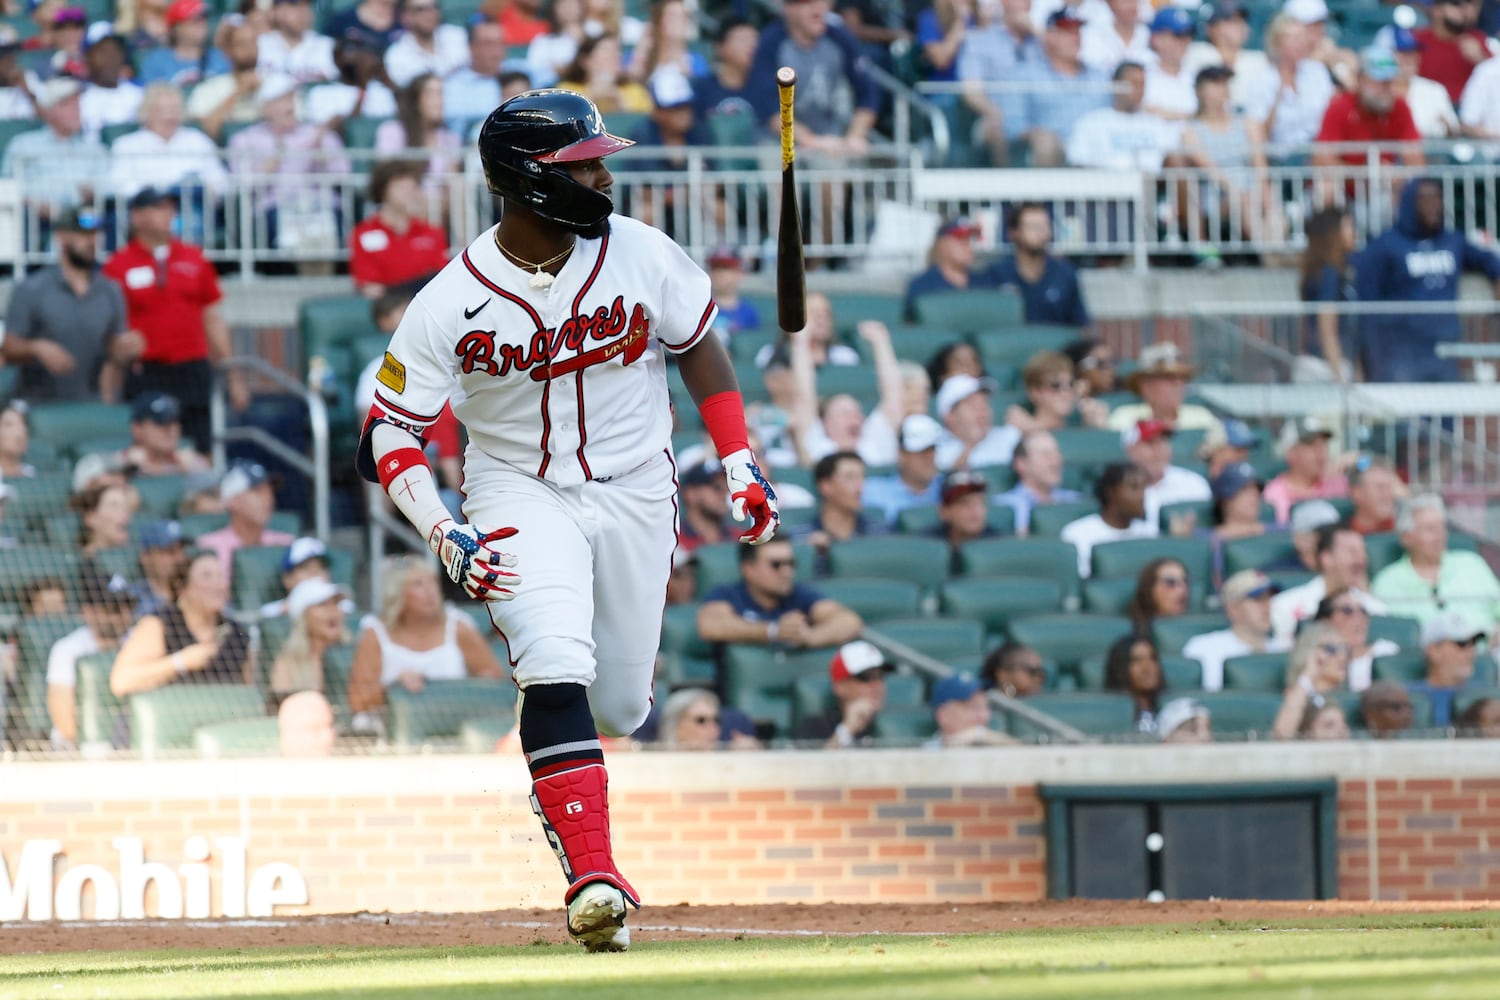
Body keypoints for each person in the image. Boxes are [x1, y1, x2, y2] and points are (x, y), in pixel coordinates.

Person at [354, 90, 784, 952]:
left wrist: (737, 454)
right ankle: (595, 877)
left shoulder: (640, 252)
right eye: (580, 162)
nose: (600, 172)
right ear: (525, 180)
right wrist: (442, 529)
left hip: (636, 485)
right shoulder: (452, 297)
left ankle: (566, 799)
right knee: (553, 662)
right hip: (517, 489)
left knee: (620, 704)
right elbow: (388, 431)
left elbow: (695, 340)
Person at [101, 187, 245, 451]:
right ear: (137, 216)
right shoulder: (118, 265)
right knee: (148, 446)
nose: (168, 214)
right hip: (147, 370)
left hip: (192, 368)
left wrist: (233, 376)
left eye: (169, 208)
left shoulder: (194, 258)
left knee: (202, 446)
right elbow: (106, 326)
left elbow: (212, 318)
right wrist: (113, 368)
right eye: (158, 208)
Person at [1355, 178, 1500, 383]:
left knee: (1447, 411)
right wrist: (1370, 355)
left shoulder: (1451, 240)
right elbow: (1366, 300)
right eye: (1425, 199)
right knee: (1406, 414)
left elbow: (1487, 259)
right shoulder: (1386, 245)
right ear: (1410, 203)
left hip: (1445, 348)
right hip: (1402, 351)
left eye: (1437, 198)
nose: (1433, 205)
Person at [2, 208, 132, 404]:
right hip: (40, 403)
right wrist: (36, 347)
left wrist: (125, 350)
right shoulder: (32, 289)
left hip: (94, 401)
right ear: (60, 237)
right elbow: (9, 347)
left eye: (94, 235)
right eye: (81, 235)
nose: (90, 242)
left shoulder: (110, 290)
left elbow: (115, 344)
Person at [347, 555, 504, 713]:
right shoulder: (375, 632)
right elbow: (357, 701)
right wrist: (394, 686)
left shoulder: (458, 626)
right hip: (383, 730)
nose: (430, 591)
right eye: (418, 584)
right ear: (397, 593)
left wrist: (469, 687)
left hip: (453, 723)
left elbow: (495, 680)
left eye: (433, 582)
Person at [227, 74, 352, 253]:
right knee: (282, 228)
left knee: (331, 223)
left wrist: (321, 158)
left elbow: (344, 176)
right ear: (265, 107)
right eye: (281, 100)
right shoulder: (245, 139)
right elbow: (241, 184)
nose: (289, 105)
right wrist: (269, 167)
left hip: (319, 205)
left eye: (291, 98)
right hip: (274, 207)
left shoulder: (318, 134)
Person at [109, 549, 254, 696]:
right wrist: (180, 662)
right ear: (182, 587)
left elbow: (247, 692)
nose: (218, 585)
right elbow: (121, 681)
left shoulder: (236, 631)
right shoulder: (159, 624)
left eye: (220, 576)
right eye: (207, 576)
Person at [748, 0, 880, 156]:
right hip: (777, 135)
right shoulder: (771, 41)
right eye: (808, 3)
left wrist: (856, 135)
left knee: (833, 166)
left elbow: (868, 92)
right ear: (788, 9)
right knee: (781, 169)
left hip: (826, 131)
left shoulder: (839, 37)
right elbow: (767, 106)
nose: (819, 9)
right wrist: (809, 140)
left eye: (823, 2)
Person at [697, 537, 862, 652]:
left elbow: (849, 621)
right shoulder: (727, 594)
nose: (786, 572)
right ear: (749, 569)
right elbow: (710, 625)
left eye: (791, 563)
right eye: (776, 565)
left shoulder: (798, 594)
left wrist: (810, 637)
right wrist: (773, 631)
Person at [1372, 494, 1500, 635]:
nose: (1440, 535)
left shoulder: (1471, 563)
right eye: (1430, 529)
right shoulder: (1387, 582)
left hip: (1487, 651)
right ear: (1406, 537)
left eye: (1442, 528)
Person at [1, 78, 110, 232]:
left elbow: (110, 186)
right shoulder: (23, 145)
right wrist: (33, 202)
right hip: (36, 218)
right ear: (49, 111)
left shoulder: (95, 150)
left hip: (83, 217)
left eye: (77, 104)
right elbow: (7, 187)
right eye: (67, 105)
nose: (76, 110)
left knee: (107, 217)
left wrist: (94, 192)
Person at [45, 566, 136, 750]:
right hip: (73, 749)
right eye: (114, 609)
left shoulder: (140, 640)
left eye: (128, 607)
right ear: (88, 611)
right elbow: (64, 719)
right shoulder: (67, 649)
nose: (123, 616)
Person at [1009, 8, 1111, 167]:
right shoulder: (1027, 75)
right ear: (1050, 36)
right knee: (1046, 144)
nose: (1076, 38)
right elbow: (1014, 127)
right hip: (1054, 150)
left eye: (1077, 32)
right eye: (1067, 32)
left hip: (1098, 150)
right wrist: (1041, 137)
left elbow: (1113, 116)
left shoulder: (1099, 76)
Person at [106, 83, 231, 203]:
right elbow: (118, 185)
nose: (170, 115)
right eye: (162, 110)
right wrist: (158, 194)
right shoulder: (126, 145)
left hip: (193, 208)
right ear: (146, 112)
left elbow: (222, 181)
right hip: (147, 210)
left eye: (175, 109)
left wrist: (209, 189)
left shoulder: (198, 140)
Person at [957, 0, 1046, 167]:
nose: (1026, 6)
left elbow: (1061, 71)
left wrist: (1039, 34)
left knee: (1048, 137)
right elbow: (972, 93)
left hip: (1038, 118)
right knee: (997, 131)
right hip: (996, 117)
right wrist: (999, 115)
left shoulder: (1039, 42)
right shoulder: (979, 40)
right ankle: (1006, 189)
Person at [1310, 48, 1423, 176]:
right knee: (1327, 187)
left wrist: (1398, 176)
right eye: (1379, 82)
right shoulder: (1340, 106)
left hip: (1388, 186)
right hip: (1347, 186)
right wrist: (1365, 174)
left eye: (1390, 82)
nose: (1386, 88)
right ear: (1360, 80)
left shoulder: (1400, 106)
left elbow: (1415, 158)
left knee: (1422, 188)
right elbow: (1323, 159)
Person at [975, 202, 1089, 328]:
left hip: (1056, 347)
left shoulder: (1064, 273)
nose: (1041, 232)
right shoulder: (996, 274)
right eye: (1033, 227)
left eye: (1045, 225)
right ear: (1013, 233)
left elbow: (1081, 325)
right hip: (1013, 346)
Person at [349, 159, 451, 298]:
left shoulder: (432, 232)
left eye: (413, 187)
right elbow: (369, 286)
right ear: (383, 190)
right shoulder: (363, 233)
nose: (409, 192)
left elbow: (442, 278)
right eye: (401, 187)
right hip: (388, 308)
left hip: (426, 306)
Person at [1271, 524, 1385, 642]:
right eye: (1352, 552)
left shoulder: (1375, 609)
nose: (1362, 559)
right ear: (1327, 558)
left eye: (1363, 552)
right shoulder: (1285, 605)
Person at [1066, 60, 1183, 172]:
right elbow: (1078, 162)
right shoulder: (1091, 122)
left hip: (1153, 185)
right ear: (1115, 84)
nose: (1139, 89)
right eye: (1133, 83)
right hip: (1106, 186)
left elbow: (1171, 158)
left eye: (1142, 84)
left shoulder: (1156, 123)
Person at [1242, 13, 1335, 152]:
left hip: (1317, 152)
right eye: (1292, 38)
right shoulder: (1263, 79)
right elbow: (1259, 131)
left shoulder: (1318, 71)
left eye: (1302, 37)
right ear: (1276, 43)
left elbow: (1331, 114)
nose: (1299, 43)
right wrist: (1277, 99)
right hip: (1280, 157)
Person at [1183, 569, 1289, 690]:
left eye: (1270, 598)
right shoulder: (1202, 648)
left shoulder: (1285, 649)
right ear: (1233, 609)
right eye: (1258, 599)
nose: (1268, 606)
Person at [194, 462, 296, 573]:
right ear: (232, 500)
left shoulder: (287, 545)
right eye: (257, 491)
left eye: (270, 491)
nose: (268, 498)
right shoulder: (209, 549)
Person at [1105, 342, 1222, 437]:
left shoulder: (1201, 416)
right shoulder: (1124, 417)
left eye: (1182, 378)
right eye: (1168, 377)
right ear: (1145, 385)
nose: (1177, 383)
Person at [1061, 461, 1155, 578]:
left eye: (1144, 488)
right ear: (1111, 492)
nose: (1142, 496)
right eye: (1134, 487)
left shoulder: (1149, 533)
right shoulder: (1077, 534)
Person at [268, 576, 350, 711]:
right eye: (322, 605)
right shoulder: (288, 663)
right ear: (302, 616)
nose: (332, 611)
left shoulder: (354, 654)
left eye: (335, 603)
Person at [792, 639, 894, 746]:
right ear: (839, 685)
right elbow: (815, 762)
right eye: (865, 678)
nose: (877, 686)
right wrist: (847, 730)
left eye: (881, 677)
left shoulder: (895, 724)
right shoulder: (815, 726)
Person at [1296, 206, 1356, 382]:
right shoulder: (1330, 273)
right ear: (1333, 233)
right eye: (1348, 226)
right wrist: (1340, 376)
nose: (1353, 233)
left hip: (1314, 363)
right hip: (1326, 368)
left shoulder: (1318, 271)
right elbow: (1327, 328)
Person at [375, 73, 463, 189]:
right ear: (415, 100)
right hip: (403, 200)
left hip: (440, 203)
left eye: (441, 94)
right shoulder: (391, 131)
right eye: (431, 94)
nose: (439, 102)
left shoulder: (451, 139)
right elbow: (386, 175)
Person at [185, 23, 268, 143]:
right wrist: (238, 93)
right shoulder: (209, 89)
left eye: (253, 42)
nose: (249, 48)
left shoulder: (275, 85)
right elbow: (206, 132)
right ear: (228, 51)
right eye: (241, 44)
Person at [1123, 418, 1211, 529]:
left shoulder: (1193, 483)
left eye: (1163, 441)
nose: (1159, 449)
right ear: (1130, 450)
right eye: (1151, 443)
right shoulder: (1120, 492)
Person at [993, 429, 1083, 536]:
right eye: (1046, 454)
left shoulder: (1076, 501)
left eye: (1057, 453)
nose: (1056, 461)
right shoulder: (1005, 505)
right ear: (1021, 464)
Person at [796, 451, 883, 562]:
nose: (861, 486)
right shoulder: (800, 538)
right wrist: (807, 554)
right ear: (825, 486)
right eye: (850, 477)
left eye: (862, 477)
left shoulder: (880, 533)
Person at [1183, 1, 1269, 111]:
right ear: (1212, 28)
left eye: (1243, 21)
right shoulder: (1194, 53)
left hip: (1246, 121)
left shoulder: (1259, 60)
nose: (1240, 26)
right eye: (1232, 21)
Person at [304, 27, 399, 126]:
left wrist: (385, 77)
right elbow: (349, 132)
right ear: (336, 57)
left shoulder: (383, 91)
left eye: (363, 49)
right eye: (351, 49)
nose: (359, 56)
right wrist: (363, 86)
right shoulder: (320, 91)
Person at [1270, 621, 1350, 739]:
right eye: (1331, 649)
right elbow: (1282, 735)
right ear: (1309, 653)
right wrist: (1308, 673)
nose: (1342, 657)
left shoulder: (1347, 693)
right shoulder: (1296, 696)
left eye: (1344, 649)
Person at [1311, 585, 1398, 693]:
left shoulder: (1386, 651)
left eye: (1363, 611)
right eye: (1347, 611)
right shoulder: (1319, 659)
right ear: (1325, 621)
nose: (1358, 618)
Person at [1262, 417, 1347, 524]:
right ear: (1291, 453)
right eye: (1311, 445)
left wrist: (1358, 461)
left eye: (1324, 445)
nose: (1320, 453)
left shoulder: (1339, 483)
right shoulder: (1274, 494)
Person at [861, 414, 943, 525]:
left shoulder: (949, 489)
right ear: (901, 454)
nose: (929, 458)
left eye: (932, 450)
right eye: (922, 452)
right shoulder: (872, 492)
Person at [1410, 612, 1486, 728]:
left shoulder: (1487, 693)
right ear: (1433, 650)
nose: (1471, 651)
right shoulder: (1405, 698)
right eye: (1462, 644)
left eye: (1474, 643)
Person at [934, 373, 1020, 471]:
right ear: (950, 416)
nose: (982, 411)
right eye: (973, 405)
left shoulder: (1011, 436)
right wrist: (970, 445)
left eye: (984, 403)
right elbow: (943, 480)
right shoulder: (934, 449)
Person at [1006, 351, 1107, 434]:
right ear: (1035, 392)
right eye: (1055, 386)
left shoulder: (1083, 426)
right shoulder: (1018, 430)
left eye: (1071, 384)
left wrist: (1098, 430)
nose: (1066, 392)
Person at [1412, 0, 1491, 105]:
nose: (1463, 9)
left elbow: (1495, 79)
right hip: (1427, 106)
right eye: (1455, 4)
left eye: (1466, 4)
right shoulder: (1417, 39)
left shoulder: (1477, 39)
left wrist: (1481, 59)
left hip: (1467, 107)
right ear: (1437, 11)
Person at [140, 0, 230, 86]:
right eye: (195, 18)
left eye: (204, 16)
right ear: (176, 28)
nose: (201, 22)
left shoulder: (220, 58)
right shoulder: (157, 62)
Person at [903, 217, 980, 318]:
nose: (966, 244)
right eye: (960, 238)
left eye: (969, 238)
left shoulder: (984, 281)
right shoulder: (923, 286)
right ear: (942, 244)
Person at [119, 392, 211, 476]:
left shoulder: (190, 463)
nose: (172, 430)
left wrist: (186, 473)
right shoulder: (119, 464)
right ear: (137, 428)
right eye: (162, 424)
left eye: (175, 422)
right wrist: (131, 470)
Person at [1390, 27, 1457, 140]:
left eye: (1415, 53)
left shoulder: (1434, 90)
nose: (1411, 59)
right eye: (1404, 53)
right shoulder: (1378, 90)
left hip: (1431, 152)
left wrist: (1446, 127)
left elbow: (1453, 130)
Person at [557, 34, 651, 113]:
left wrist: (620, 101)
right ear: (586, 61)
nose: (615, 55)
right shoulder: (567, 91)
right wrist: (594, 95)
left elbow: (644, 123)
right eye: (607, 50)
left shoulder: (635, 91)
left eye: (617, 50)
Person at [80, 26, 145, 139]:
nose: (110, 58)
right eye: (102, 52)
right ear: (88, 57)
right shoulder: (79, 99)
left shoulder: (139, 95)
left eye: (116, 51)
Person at [383, 0, 468, 87]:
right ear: (404, 17)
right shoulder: (397, 56)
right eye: (420, 9)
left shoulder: (458, 36)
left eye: (433, 7)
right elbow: (409, 94)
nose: (430, 14)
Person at [258, 0, 338, 84]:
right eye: (295, 6)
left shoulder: (327, 46)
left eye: (306, 6)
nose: (302, 13)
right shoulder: (260, 43)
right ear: (277, 11)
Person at [443, 19, 505, 126]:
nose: (496, 51)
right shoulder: (454, 85)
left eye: (500, 43)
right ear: (472, 47)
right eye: (488, 44)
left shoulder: (518, 74)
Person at [932, 469, 995, 573]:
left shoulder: (998, 543)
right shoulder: (929, 545)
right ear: (944, 511)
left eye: (980, 502)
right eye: (964, 503)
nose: (975, 510)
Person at [1141, 6, 1199, 121]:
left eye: (1189, 35)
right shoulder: (1141, 73)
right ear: (1156, 38)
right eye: (1178, 35)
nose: (1185, 41)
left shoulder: (1196, 76)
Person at [927, 672, 1012, 747]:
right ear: (943, 715)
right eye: (974, 707)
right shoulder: (923, 753)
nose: (984, 716)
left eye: (986, 706)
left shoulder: (994, 746)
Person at [260, 536, 336, 618]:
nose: (315, 573)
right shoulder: (275, 610)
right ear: (288, 579)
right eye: (307, 568)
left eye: (321, 567)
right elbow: (264, 613)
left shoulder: (340, 603)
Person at [1104, 631, 1164, 732]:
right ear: (1120, 667)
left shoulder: (1172, 710)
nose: (1147, 668)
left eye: (1152, 658)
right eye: (1137, 660)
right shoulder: (1106, 716)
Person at [130, 519, 187, 618]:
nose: (179, 559)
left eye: (181, 550)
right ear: (145, 557)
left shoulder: (198, 592)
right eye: (169, 552)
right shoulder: (131, 597)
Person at [525, 0, 586, 88]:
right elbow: (533, 68)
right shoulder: (543, 40)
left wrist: (582, 40)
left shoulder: (593, 31)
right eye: (563, 5)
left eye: (572, 4)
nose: (568, 9)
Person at [1080, 0, 1150, 75]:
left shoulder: (1147, 34)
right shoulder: (1090, 34)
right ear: (1110, 3)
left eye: (1134, 1)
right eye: (1126, 2)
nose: (1132, 7)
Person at [705, 247, 759, 341]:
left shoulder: (749, 312)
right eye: (715, 267)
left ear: (740, 273)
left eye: (725, 268)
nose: (719, 273)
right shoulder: (700, 309)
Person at [74, 482, 135, 562]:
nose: (125, 512)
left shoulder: (131, 565)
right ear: (91, 517)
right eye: (114, 506)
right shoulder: (79, 567)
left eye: (126, 507)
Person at [1127, 557, 1190, 628]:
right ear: (1150, 588)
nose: (1182, 589)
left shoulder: (1198, 633)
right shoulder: (1132, 633)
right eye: (1170, 582)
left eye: (1185, 581)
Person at [1346, 458, 1402, 536]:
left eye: (1389, 487)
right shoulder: (1343, 535)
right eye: (1379, 487)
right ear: (1356, 493)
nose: (1386, 495)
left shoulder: (1403, 529)